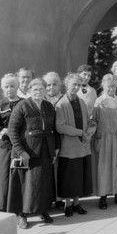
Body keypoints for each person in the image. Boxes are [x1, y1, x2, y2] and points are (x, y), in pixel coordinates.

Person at [7, 78, 58, 228]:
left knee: (43, 182)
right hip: (26, 150)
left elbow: (53, 130)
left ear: (45, 91)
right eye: (35, 89)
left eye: (41, 89)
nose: (39, 92)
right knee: (24, 184)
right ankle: (21, 215)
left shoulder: (49, 106)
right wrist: (21, 151)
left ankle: (42, 210)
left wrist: (55, 148)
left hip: (45, 149)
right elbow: (12, 130)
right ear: (30, 90)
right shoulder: (22, 105)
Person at [55, 73, 95, 216]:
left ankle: (76, 203)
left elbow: (87, 120)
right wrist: (78, 132)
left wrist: (91, 128)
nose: (77, 87)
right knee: (69, 177)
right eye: (74, 84)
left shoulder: (81, 102)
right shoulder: (61, 104)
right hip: (69, 147)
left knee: (79, 176)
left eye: (79, 85)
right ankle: (67, 205)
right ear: (67, 85)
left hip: (82, 146)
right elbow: (60, 127)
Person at [0, 73, 24, 211]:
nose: (9, 89)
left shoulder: (24, 103)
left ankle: (17, 203)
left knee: (17, 173)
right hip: (3, 145)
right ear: (2, 88)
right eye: (6, 86)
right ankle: (2, 203)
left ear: (17, 86)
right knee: (3, 174)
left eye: (12, 86)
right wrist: (9, 132)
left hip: (19, 144)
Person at [91, 74, 117, 209]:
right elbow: (93, 120)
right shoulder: (99, 102)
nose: (111, 89)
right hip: (104, 140)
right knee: (104, 168)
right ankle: (103, 197)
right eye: (109, 87)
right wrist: (95, 134)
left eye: (114, 86)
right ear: (104, 86)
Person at [43, 71, 65, 209]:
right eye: (48, 85)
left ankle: (59, 198)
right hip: (47, 139)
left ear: (60, 85)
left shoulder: (64, 98)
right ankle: (46, 198)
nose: (51, 87)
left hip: (62, 137)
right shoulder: (41, 99)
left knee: (59, 168)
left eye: (54, 84)